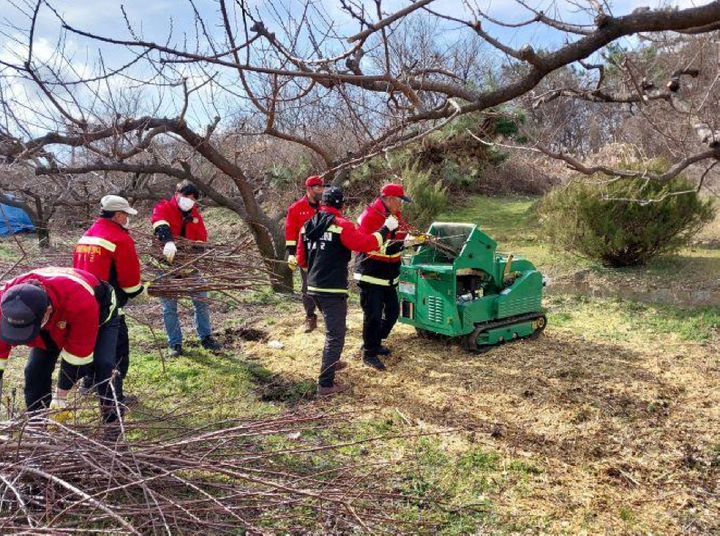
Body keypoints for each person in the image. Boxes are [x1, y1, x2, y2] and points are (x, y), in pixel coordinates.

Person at [296, 187, 398, 396]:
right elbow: (366, 243)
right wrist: (385, 230)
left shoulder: (308, 226)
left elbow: (301, 260)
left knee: (331, 331)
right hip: (331, 288)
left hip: (312, 286)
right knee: (336, 335)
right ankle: (326, 384)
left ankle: (331, 362)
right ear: (342, 205)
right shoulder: (341, 225)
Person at [0, 267, 121, 427]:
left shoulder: (79, 301)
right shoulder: (7, 301)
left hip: (99, 312)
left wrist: (60, 398)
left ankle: (112, 428)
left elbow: (78, 357)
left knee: (104, 366)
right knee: (34, 370)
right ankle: (37, 427)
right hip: (51, 318)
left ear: (47, 311)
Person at [73, 195, 144, 405]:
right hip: (109, 302)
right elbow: (129, 280)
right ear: (118, 215)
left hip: (83, 300)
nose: (127, 219)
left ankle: (88, 382)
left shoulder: (86, 236)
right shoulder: (119, 239)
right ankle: (115, 394)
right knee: (117, 346)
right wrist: (138, 291)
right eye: (126, 215)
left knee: (91, 341)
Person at [151, 180, 221, 356]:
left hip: (190, 266)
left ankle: (206, 337)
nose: (189, 200)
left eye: (193, 198)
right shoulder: (164, 207)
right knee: (169, 308)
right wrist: (168, 242)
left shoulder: (195, 214)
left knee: (201, 301)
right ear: (177, 195)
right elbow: (159, 224)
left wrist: (196, 251)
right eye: (186, 196)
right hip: (166, 266)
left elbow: (201, 237)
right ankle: (175, 344)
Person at [353, 183, 411, 370]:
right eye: (400, 201)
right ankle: (369, 352)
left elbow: (401, 234)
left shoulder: (394, 215)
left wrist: (414, 239)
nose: (401, 205)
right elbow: (371, 245)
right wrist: (403, 245)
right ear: (390, 199)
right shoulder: (370, 216)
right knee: (373, 315)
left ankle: (375, 341)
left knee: (393, 312)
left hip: (389, 275)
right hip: (371, 274)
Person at [285, 175, 325, 332]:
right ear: (309, 189)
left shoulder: (325, 207)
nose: (321, 190)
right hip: (306, 255)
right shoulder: (296, 208)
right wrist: (291, 253)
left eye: (322, 187)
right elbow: (290, 232)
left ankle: (330, 317)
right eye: (317, 188)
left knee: (326, 286)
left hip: (325, 253)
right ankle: (310, 317)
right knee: (307, 286)